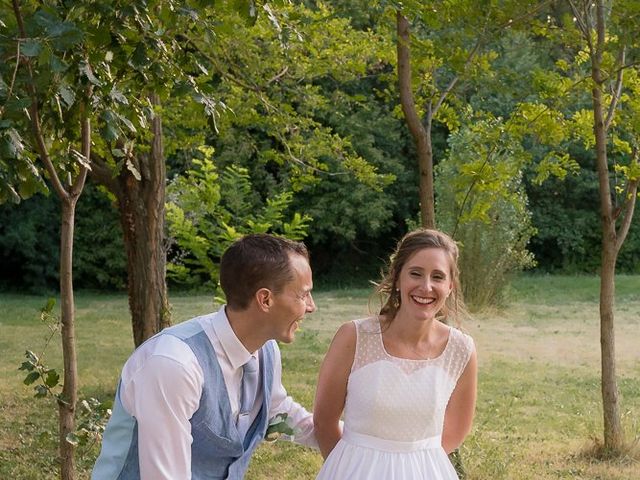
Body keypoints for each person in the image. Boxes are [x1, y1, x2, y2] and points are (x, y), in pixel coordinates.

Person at [92, 234, 318, 480]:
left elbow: (275, 412)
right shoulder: (173, 365)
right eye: (303, 294)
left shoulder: (265, 350)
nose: (311, 306)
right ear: (265, 299)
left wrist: (353, 438)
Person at [313, 228, 477, 480]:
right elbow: (324, 421)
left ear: (450, 286)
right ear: (397, 278)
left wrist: (411, 465)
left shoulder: (461, 349)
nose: (426, 286)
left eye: (438, 277)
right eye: (415, 273)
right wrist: (350, 466)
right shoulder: (354, 336)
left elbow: (456, 430)